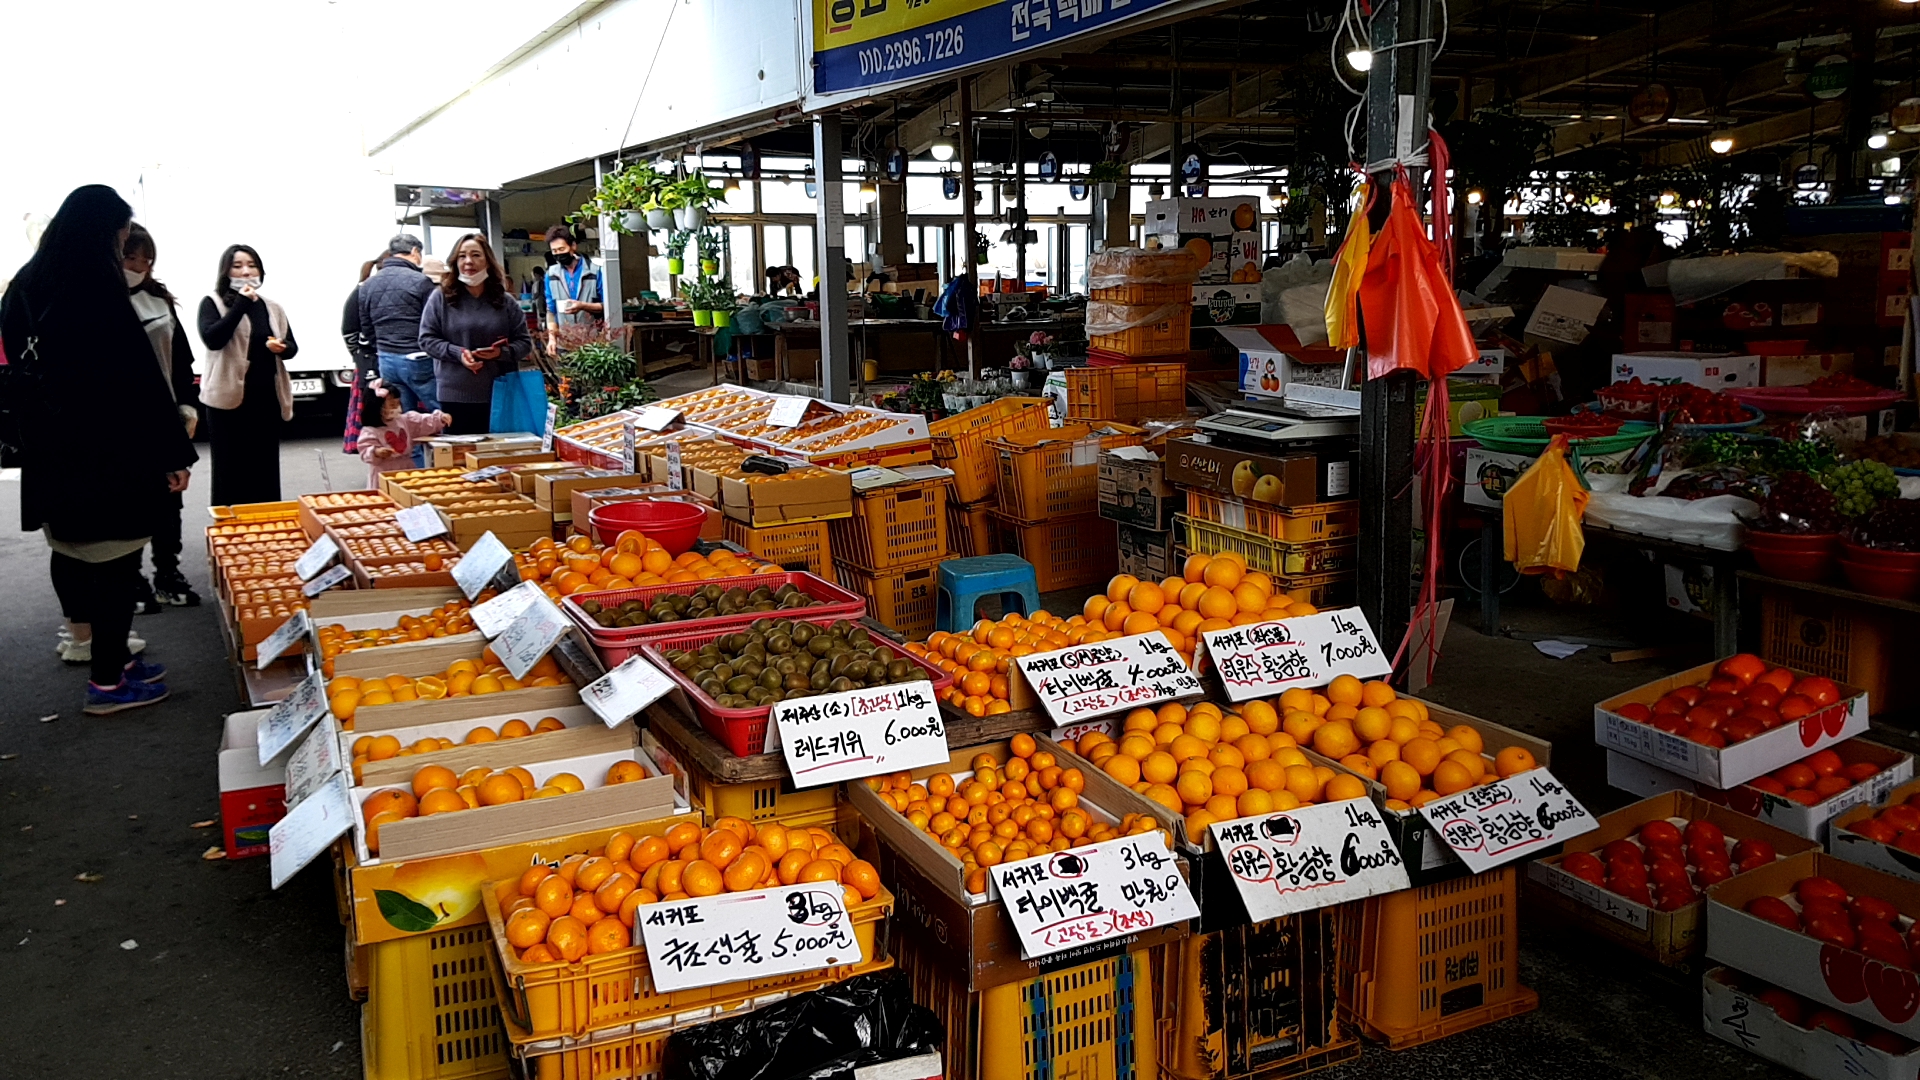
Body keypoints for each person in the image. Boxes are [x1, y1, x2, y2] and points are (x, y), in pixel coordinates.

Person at [0, 184, 195, 714]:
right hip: (108, 454)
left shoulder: (27, 284)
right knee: (116, 563)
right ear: (103, 232)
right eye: (121, 234)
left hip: (50, 449)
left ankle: (112, 660)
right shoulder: (94, 287)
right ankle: (108, 682)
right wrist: (172, 454)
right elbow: (135, 382)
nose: (123, 243)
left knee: (74, 551)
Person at [123, 222, 202, 608]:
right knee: (129, 502)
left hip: (164, 415)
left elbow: (182, 361)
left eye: (146, 259)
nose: (139, 266)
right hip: (120, 421)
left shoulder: (159, 300)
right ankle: (131, 579)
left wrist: (187, 406)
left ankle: (168, 573)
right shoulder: (94, 299)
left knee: (169, 498)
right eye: (130, 257)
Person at [198, 245, 296, 504]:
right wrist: (241, 303)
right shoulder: (213, 302)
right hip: (227, 400)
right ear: (226, 271)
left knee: (264, 470)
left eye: (252, 266)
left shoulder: (272, 307)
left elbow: (292, 346)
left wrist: (283, 347)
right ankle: (229, 524)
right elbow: (213, 339)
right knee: (229, 471)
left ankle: (267, 521)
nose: (246, 272)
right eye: (238, 266)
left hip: (265, 398)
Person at [418, 232, 532, 434]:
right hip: (455, 394)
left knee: (499, 451)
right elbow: (427, 339)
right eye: (462, 256)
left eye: (476, 255)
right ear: (455, 262)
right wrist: (458, 354)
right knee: (461, 453)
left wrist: (500, 353)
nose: (468, 261)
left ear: (488, 260)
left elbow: (524, 343)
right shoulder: (441, 298)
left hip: (500, 392)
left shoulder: (505, 301)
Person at [359, 234, 438, 415]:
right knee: (439, 413)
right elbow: (434, 321)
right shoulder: (421, 281)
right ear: (415, 252)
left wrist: (382, 344)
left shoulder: (368, 285)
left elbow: (366, 326)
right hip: (418, 356)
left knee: (402, 416)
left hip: (386, 359)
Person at [357, 380, 449, 487]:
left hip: (407, 469)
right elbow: (364, 450)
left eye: (398, 404)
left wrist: (439, 418)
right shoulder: (370, 431)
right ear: (376, 406)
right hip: (383, 473)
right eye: (392, 405)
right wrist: (376, 452)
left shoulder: (405, 420)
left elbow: (422, 421)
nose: (396, 408)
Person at [340, 249, 387, 455]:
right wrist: (360, 356)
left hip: (390, 359)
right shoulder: (362, 291)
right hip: (370, 364)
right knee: (374, 415)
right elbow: (349, 330)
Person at [544, 225, 603, 329]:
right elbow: (551, 310)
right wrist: (552, 336)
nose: (558, 254)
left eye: (561, 249)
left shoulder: (595, 272)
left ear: (573, 246)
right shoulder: (551, 275)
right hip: (565, 335)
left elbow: (607, 305)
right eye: (554, 251)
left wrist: (583, 306)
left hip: (592, 336)